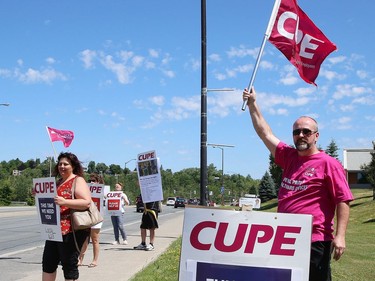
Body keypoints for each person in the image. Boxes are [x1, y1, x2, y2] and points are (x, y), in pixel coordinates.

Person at [242, 87, 354, 281]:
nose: (301, 135)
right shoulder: (288, 157)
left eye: (306, 131)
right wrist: (253, 104)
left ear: (316, 135)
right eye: (296, 132)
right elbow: (264, 133)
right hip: (284, 238)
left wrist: (340, 235)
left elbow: (343, 200)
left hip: (314, 241)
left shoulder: (329, 164)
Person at [41, 152, 91, 281]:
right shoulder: (57, 182)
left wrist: (65, 202)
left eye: (65, 164)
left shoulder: (77, 180)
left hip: (70, 230)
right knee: (48, 263)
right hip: (53, 229)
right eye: (60, 164)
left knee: (69, 265)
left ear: (73, 166)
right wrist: (38, 193)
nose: (62, 166)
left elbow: (86, 202)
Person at [78, 173, 104, 268]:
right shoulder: (85, 190)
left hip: (97, 217)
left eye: (94, 180)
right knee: (84, 239)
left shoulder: (103, 190)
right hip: (86, 216)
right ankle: (80, 259)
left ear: (98, 181)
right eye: (90, 181)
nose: (91, 182)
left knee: (95, 239)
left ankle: (95, 260)